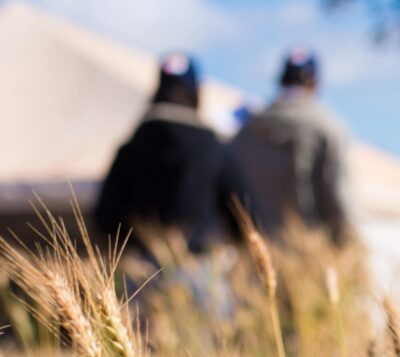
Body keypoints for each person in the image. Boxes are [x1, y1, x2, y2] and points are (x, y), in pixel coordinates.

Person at [95, 53, 253, 254]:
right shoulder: (212, 147)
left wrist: (138, 245)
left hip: (145, 266)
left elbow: (105, 216)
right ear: (196, 92)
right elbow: (246, 214)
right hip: (203, 263)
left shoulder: (130, 149)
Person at [230, 48, 351, 245]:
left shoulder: (246, 130)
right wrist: (349, 243)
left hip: (253, 248)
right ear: (315, 84)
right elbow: (336, 196)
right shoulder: (327, 128)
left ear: (281, 80)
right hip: (306, 249)